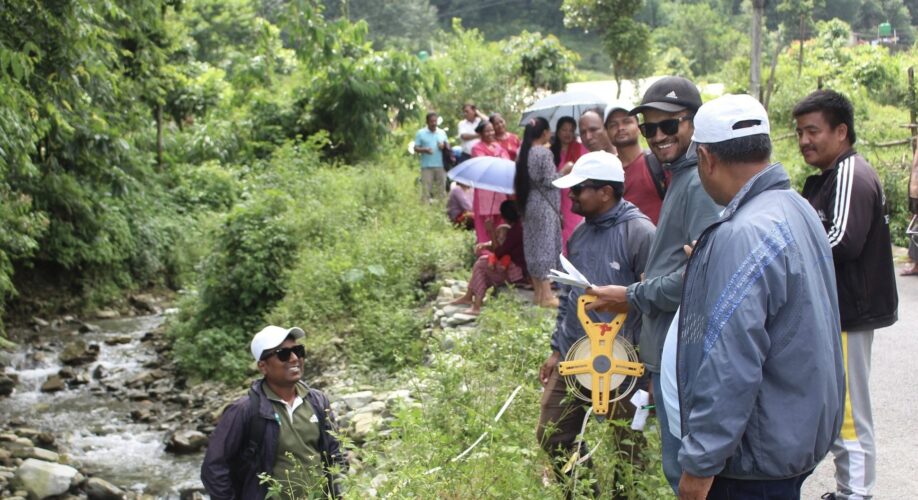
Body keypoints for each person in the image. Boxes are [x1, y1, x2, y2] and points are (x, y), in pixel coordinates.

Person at [671, 93, 845, 500]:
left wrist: (699, 463)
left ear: (708, 159)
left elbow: (731, 363)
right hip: (795, 441)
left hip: (754, 460)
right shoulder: (796, 208)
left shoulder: (742, 234)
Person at [583, 76, 720, 493]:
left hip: (684, 345)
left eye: (669, 125)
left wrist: (633, 294)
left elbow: (703, 272)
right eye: (650, 129)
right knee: (675, 464)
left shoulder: (699, 180)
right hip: (665, 344)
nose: (657, 137)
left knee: (685, 470)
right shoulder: (678, 173)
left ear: (694, 122)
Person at [794, 89, 899, 500]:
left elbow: (840, 240)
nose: (804, 140)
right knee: (840, 410)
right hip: (835, 313)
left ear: (841, 131)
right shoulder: (826, 177)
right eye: (800, 132)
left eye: (813, 131)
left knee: (851, 414)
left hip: (847, 314)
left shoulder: (851, 173)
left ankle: (856, 494)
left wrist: (786, 255)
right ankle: (848, 490)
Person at [536, 151, 655, 498]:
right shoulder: (580, 236)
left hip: (624, 361)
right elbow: (569, 296)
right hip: (576, 353)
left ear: (605, 192)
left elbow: (656, 305)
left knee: (628, 448)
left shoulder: (641, 233)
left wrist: (649, 372)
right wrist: (557, 348)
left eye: (578, 189)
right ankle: (583, 492)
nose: (571, 196)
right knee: (552, 433)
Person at [201, 326, 347, 499]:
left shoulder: (317, 401)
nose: (294, 358)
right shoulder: (245, 411)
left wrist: (340, 492)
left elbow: (336, 453)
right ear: (263, 366)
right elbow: (213, 467)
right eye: (283, 354)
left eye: (298, 350)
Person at [515, 117, 570, 308]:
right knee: (545, 246)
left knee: (533, 246)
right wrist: (566, 170)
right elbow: (551, 181)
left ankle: (539, 293)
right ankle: (546, 294)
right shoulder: (543, 153)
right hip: (545, 207)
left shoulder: (522, 153)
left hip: (530, 204)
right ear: (545, 132)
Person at [449, 200, 527, 315]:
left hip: (517, 272)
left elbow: (499, 252)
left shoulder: (516, 231)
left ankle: (476, 306)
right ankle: (469, 297)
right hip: (514, 267)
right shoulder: (518, 226)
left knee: (481, 264)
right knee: (484, 263)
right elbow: (502, 247)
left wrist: (491, 231)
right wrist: (486, 245)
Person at [605, 105, 667, 225]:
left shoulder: (658, 161)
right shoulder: (606, 174)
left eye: (627, 122)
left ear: (639, 127)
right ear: (606, 132)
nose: (620, 128)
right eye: (613, 125)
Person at [550, 116, 589, 254]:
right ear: (558, 131)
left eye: (571, 130)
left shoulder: (581, 148)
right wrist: (562, 171)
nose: (567, 133)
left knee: (577, 227)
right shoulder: (550, 152)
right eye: (564, 130)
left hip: (577, 195)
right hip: (556, 197)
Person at [471, 121, 511, 246]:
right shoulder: (476, 147)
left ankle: (500, 249)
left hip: (499, 188)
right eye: (487, 131)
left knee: (500, 219)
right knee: (485, 222)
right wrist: (497, 159)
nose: (491, 133)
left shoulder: (498, 146)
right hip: (484, 190)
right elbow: (483, 164)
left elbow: (507, 162)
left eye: (492, 130)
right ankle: (485, 250)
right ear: (481, 133)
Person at [414, 111, 449, 203]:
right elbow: (416, 148)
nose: (434, 123)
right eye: (431, 121)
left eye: (435, 121)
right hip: (426, 166)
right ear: (427, 122)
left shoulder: (442, 133)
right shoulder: (420, 133)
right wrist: (425, 150)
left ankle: (440, 210)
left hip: (440, 165)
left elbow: (448, 147)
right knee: (426, 190)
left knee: (441, 191)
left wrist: (443, 146)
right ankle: (424, 211)